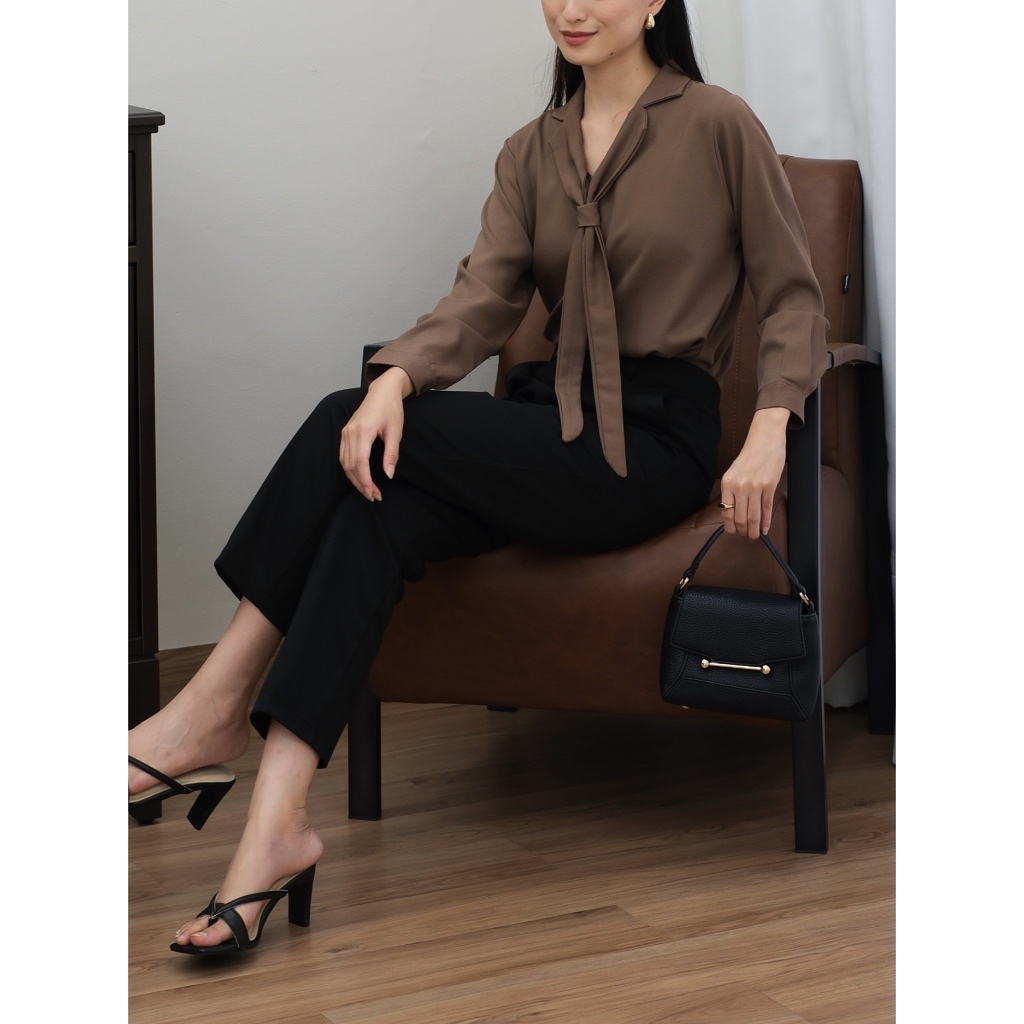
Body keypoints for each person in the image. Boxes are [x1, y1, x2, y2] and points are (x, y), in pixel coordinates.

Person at [128, 0, 828, 956]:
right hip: (545, 430)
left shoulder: (718, 125)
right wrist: (398, 380)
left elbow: (793, 296)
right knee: (374, 509)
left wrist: (770, 425)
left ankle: (211, 708)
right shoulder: (530, 151)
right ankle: (275, 830)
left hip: (651, 445)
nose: (571, 8)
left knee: (341, 422)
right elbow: (484, 297)